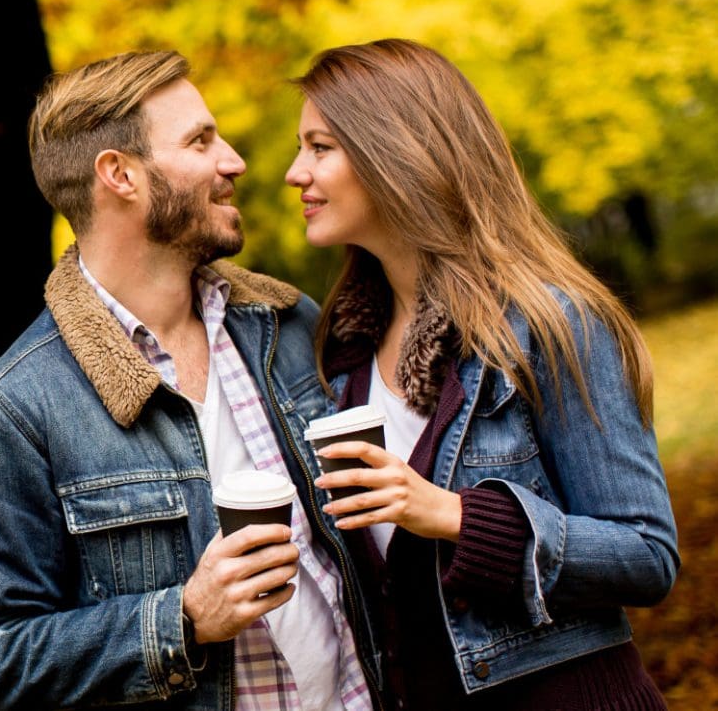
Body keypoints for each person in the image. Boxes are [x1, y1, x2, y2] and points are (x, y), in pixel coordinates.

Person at [0, 50, 379, 710]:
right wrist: (181, 620)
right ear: (119, 175)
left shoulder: (283, 326)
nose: (233, 161)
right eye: (200, 141)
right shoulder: (10, 416)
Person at [285, 37, 680, 710]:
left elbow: (646, 557)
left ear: (395, 154)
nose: (295, 172)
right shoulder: (344, 351)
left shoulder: (545, 325)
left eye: (320, 147)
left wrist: (451, 515)